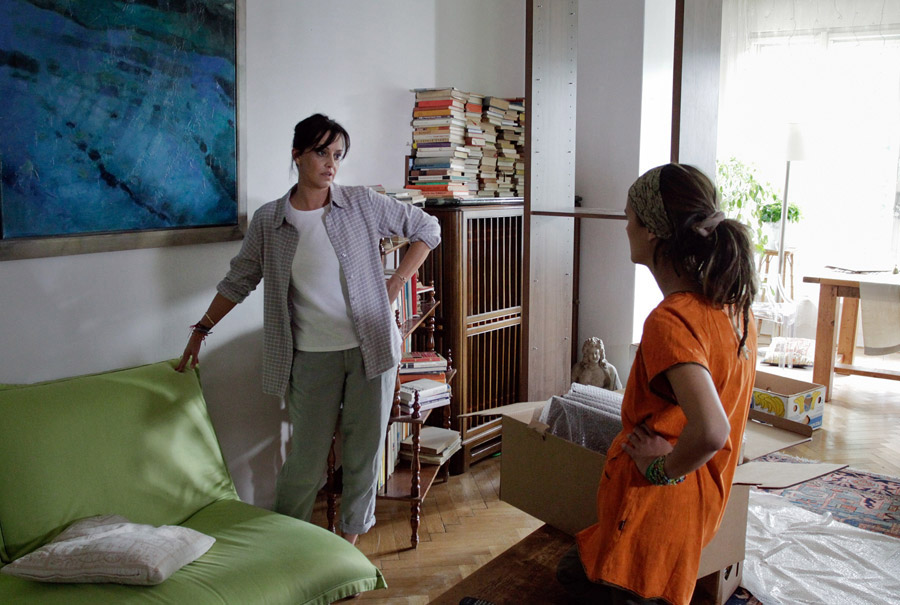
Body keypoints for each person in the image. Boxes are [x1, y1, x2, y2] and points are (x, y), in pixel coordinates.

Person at [176, 113, 441, 546]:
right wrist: (200, 330)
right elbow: (239, 280)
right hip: (311, 357)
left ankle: (348, 549)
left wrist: (395, 282)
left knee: (362, 456)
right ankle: (289, 546)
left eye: (338, 154)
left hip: (372, 349)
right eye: (321, 152)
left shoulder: (360, 202)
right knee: (305, 461)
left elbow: (427, 228)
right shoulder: (269, 220)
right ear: (297, 154)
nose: (331, 163)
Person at [557, 163, 758, 605]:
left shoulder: (671, 321)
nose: (625, 226)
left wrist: (660, 469)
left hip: (656, 511)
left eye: (629, 216)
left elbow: (712, 429)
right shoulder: (734, 309)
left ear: (651, 230)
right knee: (573, 570)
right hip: (693, 508)